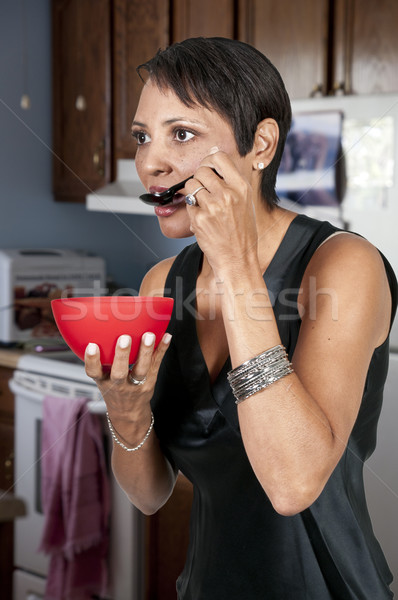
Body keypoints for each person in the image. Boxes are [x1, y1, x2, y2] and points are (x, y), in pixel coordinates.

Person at [84, 37, 397, 599]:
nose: (150, 163)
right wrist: (126, 413)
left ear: (260, 143)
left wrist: (234, 263)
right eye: (142, 136)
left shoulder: (344, 265)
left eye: (181, 134)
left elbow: (292, 484)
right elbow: (150, 493)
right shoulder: (163, 284)